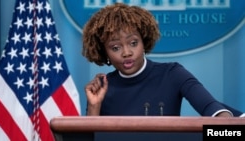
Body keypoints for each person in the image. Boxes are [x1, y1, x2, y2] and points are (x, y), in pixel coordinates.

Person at [82, 3, 244, 117]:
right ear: (105, 53)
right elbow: (89, 139)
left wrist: (224, 122)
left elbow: (209, 107)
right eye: (115, 48)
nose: (126, 52)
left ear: (143, 41)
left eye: (133, 43)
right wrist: (94, 106)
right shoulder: (101, 89)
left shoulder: (172, 73)